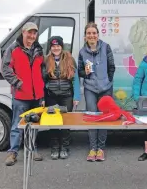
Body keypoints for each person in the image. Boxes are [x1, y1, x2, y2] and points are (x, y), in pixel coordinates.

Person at [2, 22, 45, 166]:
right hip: (21, 95)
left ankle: (32, 149)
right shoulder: (13, 48)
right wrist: (18, 83)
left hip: (36, 96)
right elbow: (6, 69)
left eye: (34, 33)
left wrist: (42, 93)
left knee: (33, 125)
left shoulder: (39, 49)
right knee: (17, 125)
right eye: (29, 33)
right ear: (23, 32)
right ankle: (12, 153)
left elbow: (42, 72)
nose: (32, 36)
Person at [78, 22, 116, 162]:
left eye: (94, 33)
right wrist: (85, 73)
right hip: (90, 89)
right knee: (92, 117)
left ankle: (101, 149)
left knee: (104, 117)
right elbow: (80, 71)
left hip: (105, 88)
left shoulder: (106, 47)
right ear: (85, 36)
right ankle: (92, 148)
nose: (91, 35)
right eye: (89, 33)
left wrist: (107, 81)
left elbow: (112, 67)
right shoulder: (82, 52)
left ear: (98, 35)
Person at [42, 36, 80, 160]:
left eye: (58, 46)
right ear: (50, 48)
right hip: (51, 96)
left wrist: (76, 96)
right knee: (53, 123)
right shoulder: (46, 61)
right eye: (53, 46)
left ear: (62, 47)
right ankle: (54, 147)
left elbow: (76, 80)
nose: (56, 48)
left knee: (65, 122)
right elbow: (42, 80)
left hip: (67, 96)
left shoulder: (70, 59)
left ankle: (64, 147)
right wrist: (42, 98)